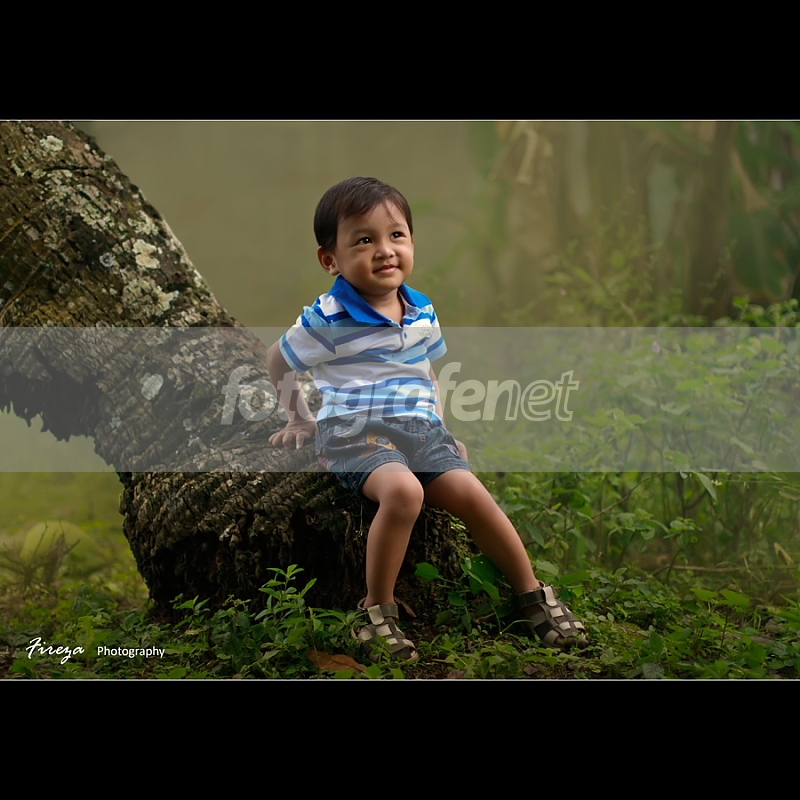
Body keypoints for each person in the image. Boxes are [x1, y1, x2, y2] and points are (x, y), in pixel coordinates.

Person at [267, 176, 587, 663]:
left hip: (420, 431)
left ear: (412, 242)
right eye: (364, 240)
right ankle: (376, 612)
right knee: (404, 492)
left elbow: (427, 373)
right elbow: (278, 359)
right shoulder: (327, 318)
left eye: (396, 235)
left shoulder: (420, 309)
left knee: (473, 494)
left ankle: (532, 594)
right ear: (330, 259)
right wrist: (300, 419)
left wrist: (441, 428)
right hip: (356, 432)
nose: (384, 250)